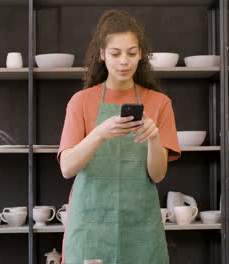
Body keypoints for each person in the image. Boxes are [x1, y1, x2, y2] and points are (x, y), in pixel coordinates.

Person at [57, 9, 181, 264]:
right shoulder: (80, 102)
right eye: (115, 53)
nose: (124, 61)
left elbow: (157, 175)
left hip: (140, 229)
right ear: (102, 55)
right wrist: (99, 134)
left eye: (132, 53)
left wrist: (154, 138)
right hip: (91, 228)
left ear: (141, 56)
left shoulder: (159, 103)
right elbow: (67, 168)